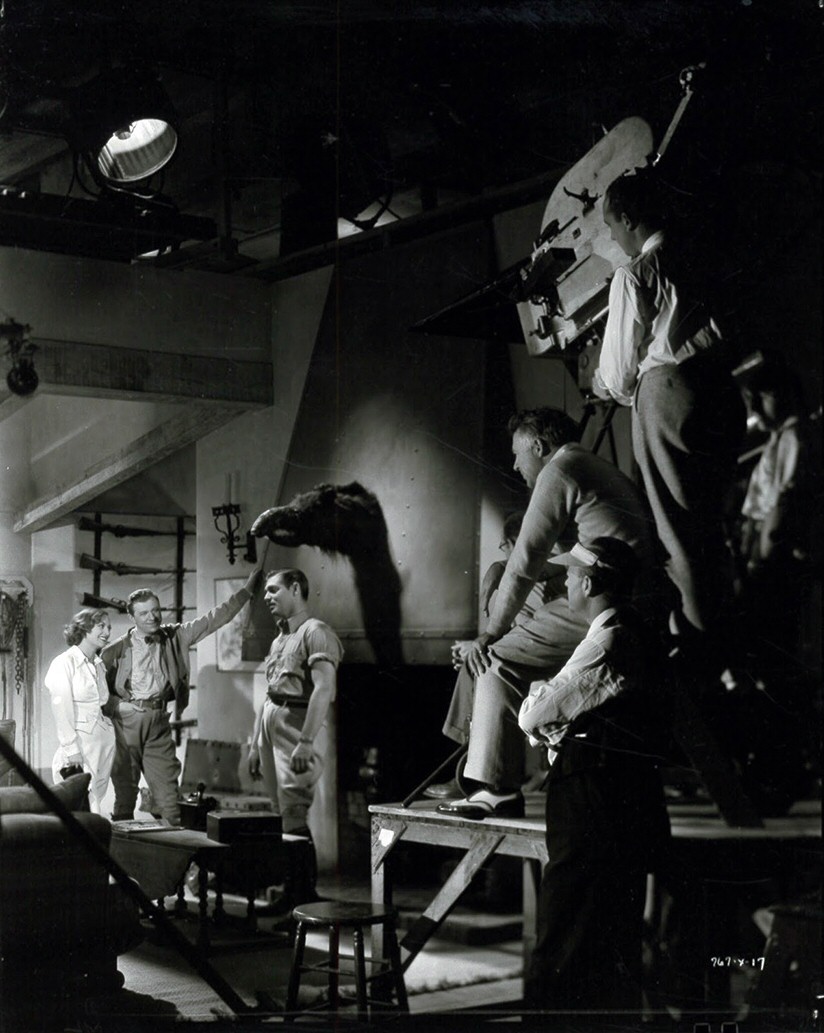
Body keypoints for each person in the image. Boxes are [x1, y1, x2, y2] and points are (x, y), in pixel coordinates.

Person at [437, 407, 656, 819]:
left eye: (519, 454)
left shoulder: (560, 471)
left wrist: (490, 633)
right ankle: (477, 766)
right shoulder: (590, 465)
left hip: (609, 601)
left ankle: (494, 786)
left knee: (497, 659)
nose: (516, 464)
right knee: (509, 623)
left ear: (539, 446)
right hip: (631, 593)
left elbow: (523, 564)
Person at [592, 171, 745, 674]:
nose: (612, 237)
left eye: (612, 226)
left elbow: (616, 373)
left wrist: (602, 383)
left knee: (676, 532)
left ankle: (702, 653)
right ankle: (727, 642)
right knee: (712, 524)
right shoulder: (701, 255)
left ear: (631, 220)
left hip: (667, 393)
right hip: (720, 388)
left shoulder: (636, 273)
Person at [518, 537, 669, 1018]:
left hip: (590, 800)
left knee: (565, 933)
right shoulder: (635, 630)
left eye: (568, 576)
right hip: (621, 795)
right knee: (610, 935)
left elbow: (534, 715)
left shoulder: (607, 639)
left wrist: (545, 696)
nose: (564, 582)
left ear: (587, 582)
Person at [102, 569, 262, 825]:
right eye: (144, 613)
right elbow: (96, 694)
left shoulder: (175, 636)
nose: (152, 617)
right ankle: (123, 860)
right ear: (131, 617)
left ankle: (173, 861)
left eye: (156, 610)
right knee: (125, 798)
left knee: (170, 803)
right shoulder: (114, 651)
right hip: (126, 724)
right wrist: (119, 708)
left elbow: (213, 619)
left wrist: (247, 591)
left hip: (158, 722)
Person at [248, 569, 343, 901]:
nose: (267, 597)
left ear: (297, 588)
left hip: (297, 724)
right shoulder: (280, 638)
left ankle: (303, 897)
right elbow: (270, 690)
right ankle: (292, 895)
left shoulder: (315, 633)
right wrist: (254, 742)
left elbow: (324, 689)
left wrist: (305, 740)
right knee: (280, 812)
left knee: (293, 812)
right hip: (273, 722)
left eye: (274, 590)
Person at [45, 608, 116, 814]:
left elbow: (101, 701)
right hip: (80, 744)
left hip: (102, 741)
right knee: (81, 804)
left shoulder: (99, 664)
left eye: (109, 627)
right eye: (101, 626)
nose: (107, 632)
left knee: (96, 800)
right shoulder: (64, 663)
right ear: (84, 628)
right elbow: (61, 707)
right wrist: (71, 748)